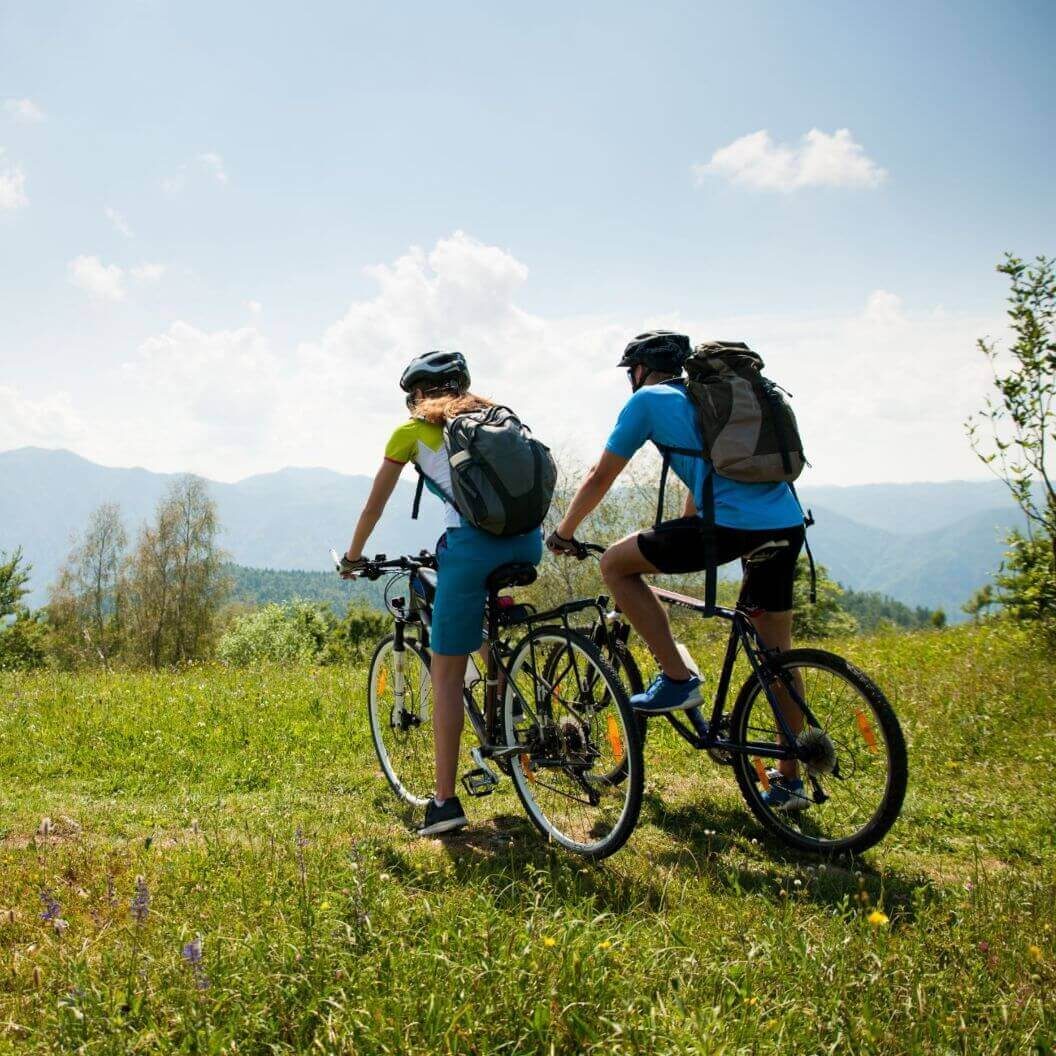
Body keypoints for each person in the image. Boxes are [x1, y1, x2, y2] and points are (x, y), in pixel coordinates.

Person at [546, 330, 810, 811]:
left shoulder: (647, 401)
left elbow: (600, 476)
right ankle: (790, 775)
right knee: (776, 652)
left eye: (631, 372)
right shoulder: (710, 398)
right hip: (788, 524)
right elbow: (704, 469)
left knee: (615, 565)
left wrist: (564, 532)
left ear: (640, 370)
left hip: (731, 527)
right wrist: (681, 527)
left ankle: (676, 677)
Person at [342, 350, 543, 835]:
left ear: (416, 396)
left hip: (471, 551)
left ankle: (445, 803)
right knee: (485, 625)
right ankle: (505, 708)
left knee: (447, 676)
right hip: (528, 543)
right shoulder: (497, 420)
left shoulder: (410, 434)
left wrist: (353, 557)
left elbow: (374, 506)